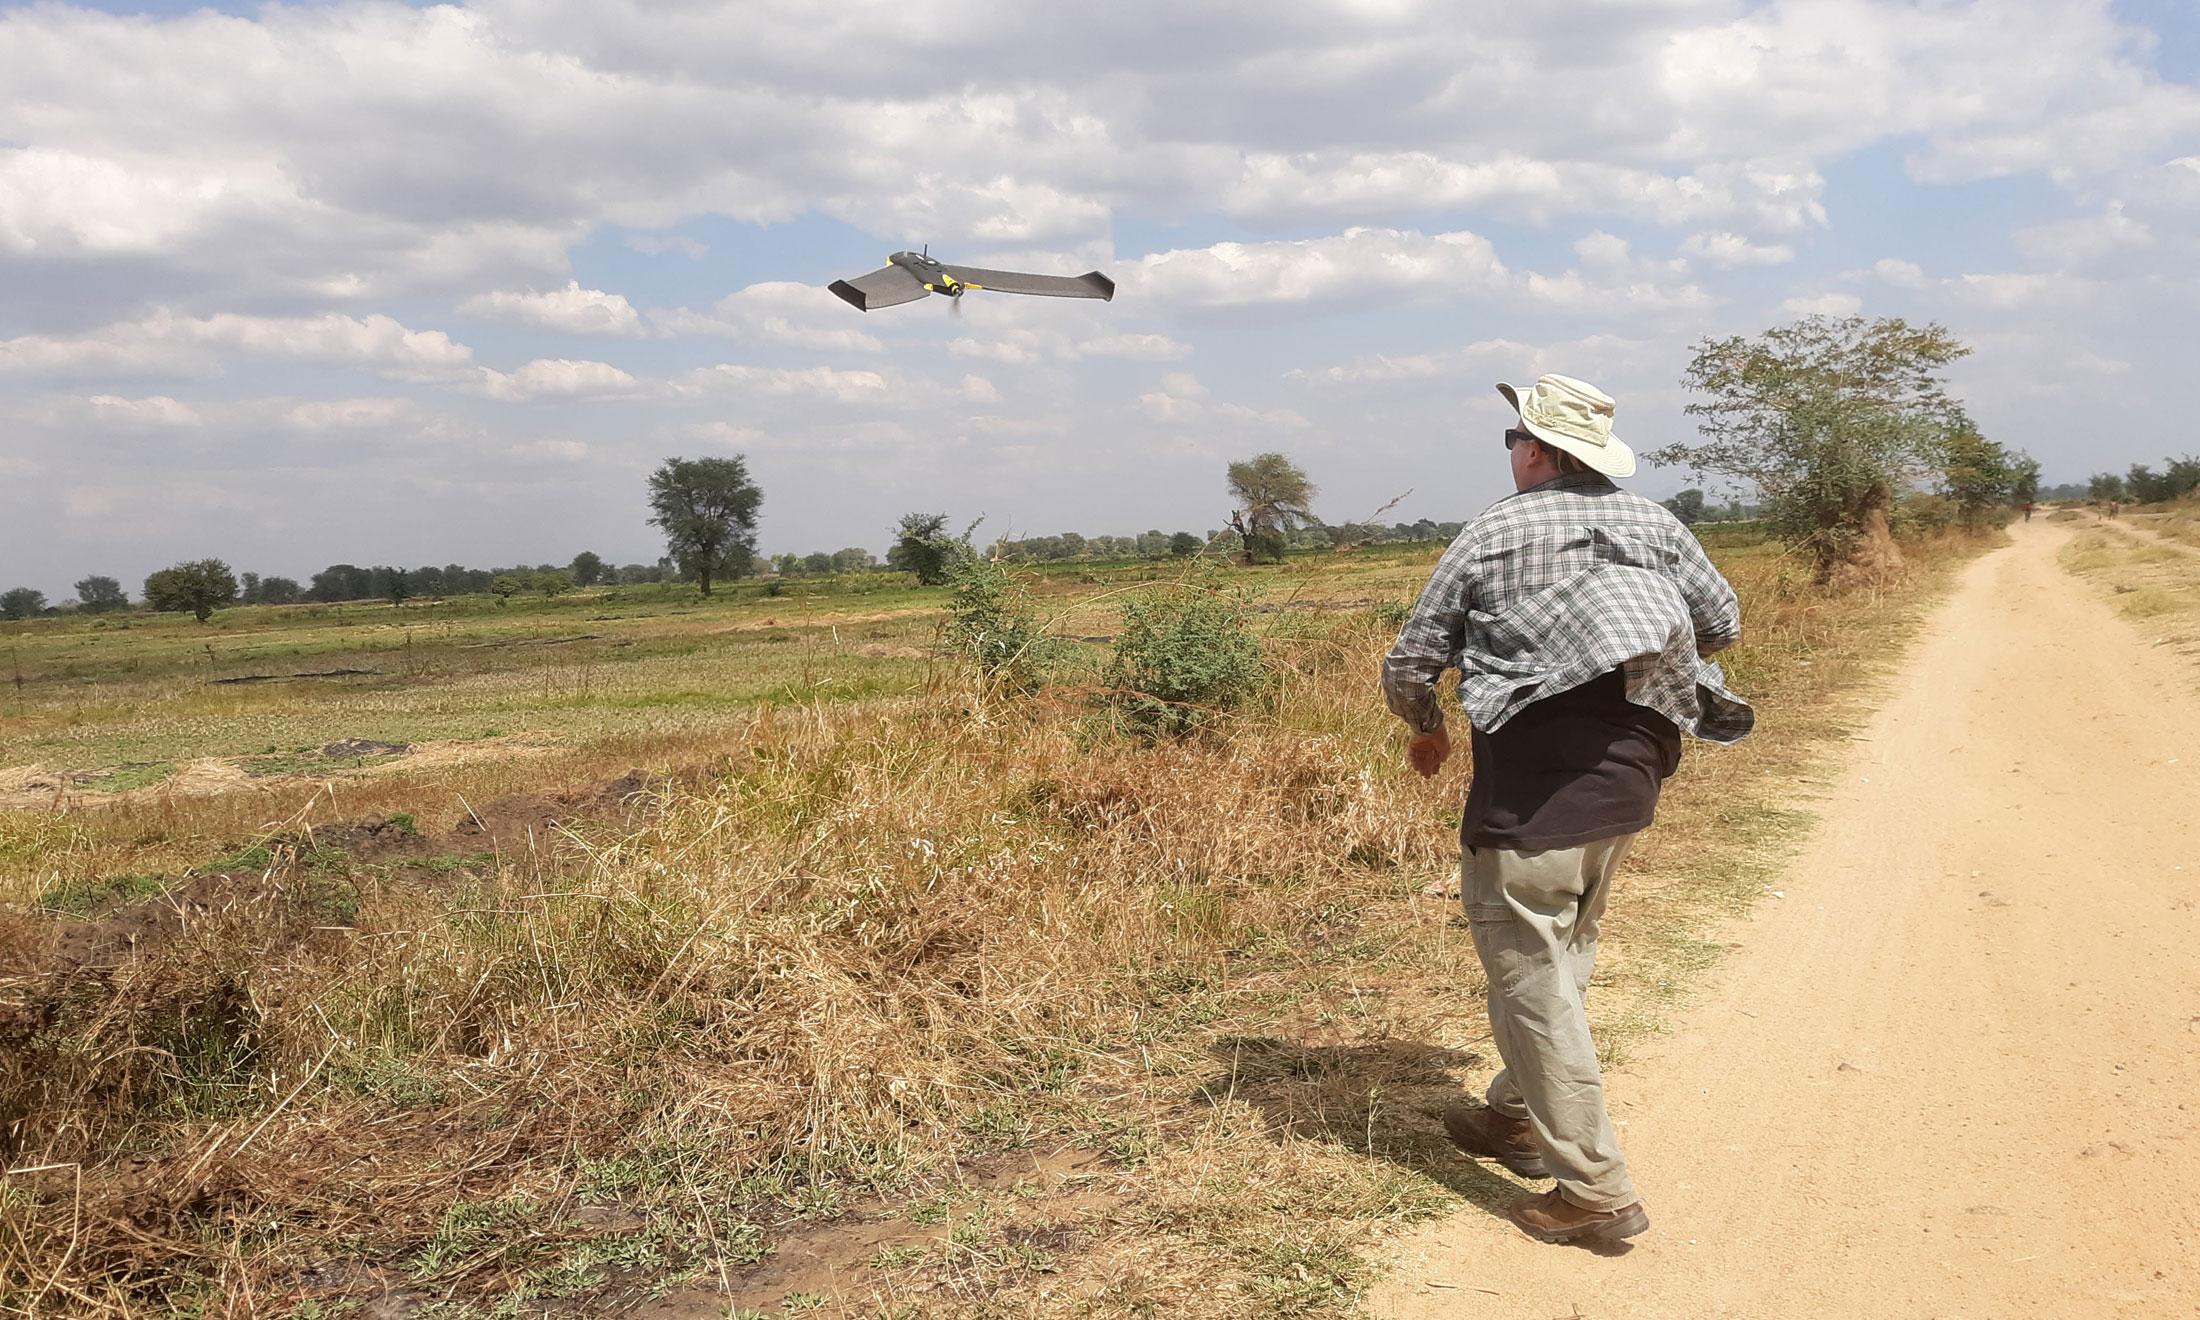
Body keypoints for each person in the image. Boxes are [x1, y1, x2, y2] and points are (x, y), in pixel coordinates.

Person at [1381, 373, 1754, 1245]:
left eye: (1514, 437)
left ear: (1539, 451)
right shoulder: (1656, 523)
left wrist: (1427, 728)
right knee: (1561, 946)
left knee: (1532, 973)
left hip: (1531, 791)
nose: (1510, 450)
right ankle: (1513, 1117)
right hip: (1632, 777)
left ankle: (1593, 1189)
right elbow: (1723, 624)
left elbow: (1412, 661)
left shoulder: (1494, 530)